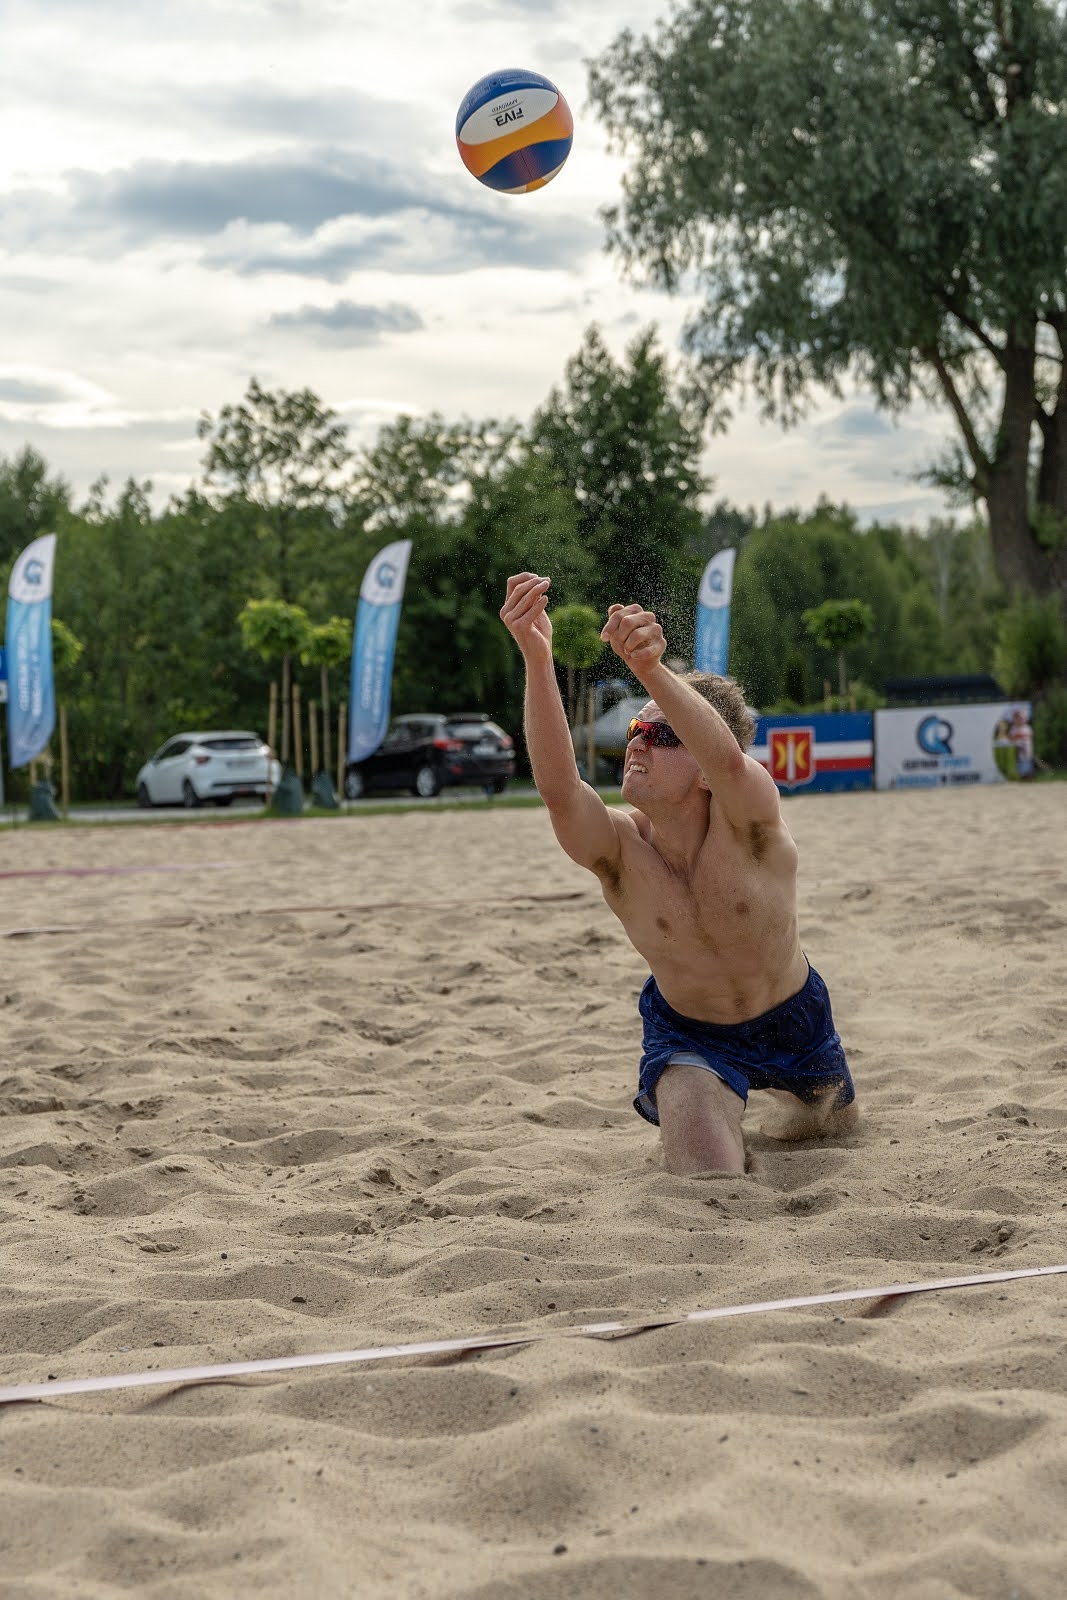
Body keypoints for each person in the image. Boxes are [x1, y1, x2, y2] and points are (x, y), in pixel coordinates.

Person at [499, 572, 857, 1176]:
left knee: (831, 1131)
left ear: (705, 768)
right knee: (708, 1180)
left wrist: (650, 669)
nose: (637, 743)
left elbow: (727, 760)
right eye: (635, 730)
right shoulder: (619, 850)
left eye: (661, 732)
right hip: (692, 1035)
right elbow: (560, 791)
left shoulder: (751, 822)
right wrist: (538, 657)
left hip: (795, 1020)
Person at [1009, 707, 1035, 781]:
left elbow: (1029, 739)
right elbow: (1011, 740)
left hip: (1027, 752)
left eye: (1022, 718)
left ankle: (1029, 778)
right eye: (1018, 718)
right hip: (1018, 754)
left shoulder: (1027, 728)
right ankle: (1021, 778)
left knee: (1028, 767)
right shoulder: (1013, 729)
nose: (1020, 720)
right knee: (1020, 768)